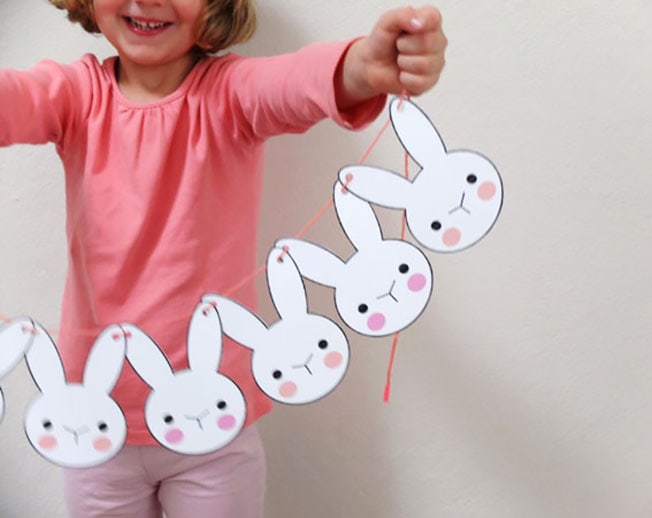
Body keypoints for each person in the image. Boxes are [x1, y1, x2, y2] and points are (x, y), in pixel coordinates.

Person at [0, 0, 447, 516]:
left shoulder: (230, 95)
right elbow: (16, 99)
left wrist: (363, 65)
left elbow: (294, 81)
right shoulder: (76, 95)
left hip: (213, 420)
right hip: (92, 423)